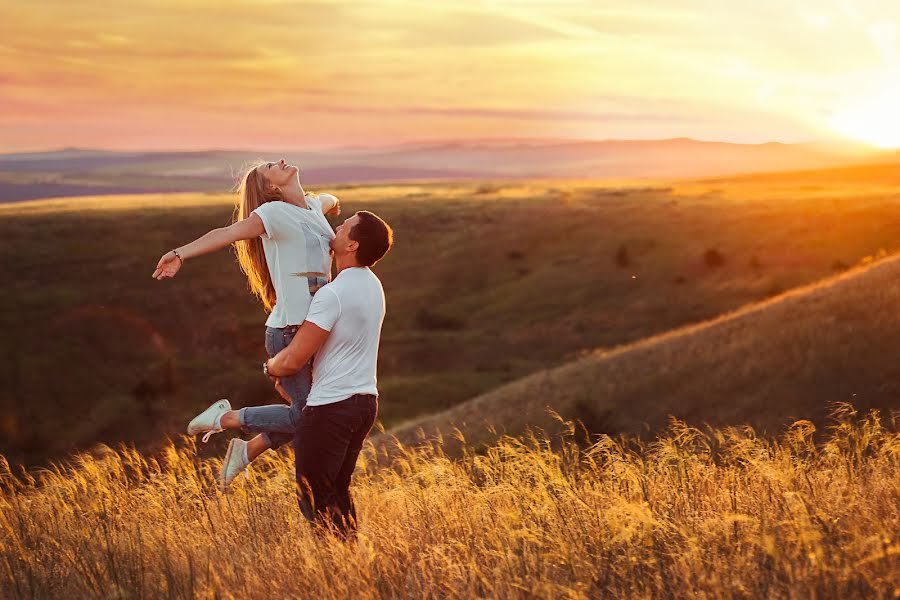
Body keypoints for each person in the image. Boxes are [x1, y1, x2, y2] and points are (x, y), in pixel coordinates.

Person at [152, 159, 339, 487]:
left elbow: (327, 199)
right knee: (312, 416)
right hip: (289, 332)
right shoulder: (273, 215)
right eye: (270, 166)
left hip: (317, 331)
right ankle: (226, 419)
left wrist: (334, 204)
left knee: (319, 412)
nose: (280, 160)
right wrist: (180, 254)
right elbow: (227, 233)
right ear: (271, 188)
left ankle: (248, 449)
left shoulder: (313, 207)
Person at [266, 210, 393, 536]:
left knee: (315, 496)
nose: (335, 228)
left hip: (332, 408)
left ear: (351, 244)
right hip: (364, 404)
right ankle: (352, 565)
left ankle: (335, 569)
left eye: (343, 226)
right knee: (337, 490)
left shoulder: (332, 294)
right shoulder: (373, 286)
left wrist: (270, 367)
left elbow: (294, 359)